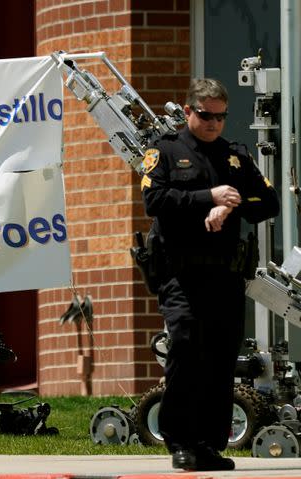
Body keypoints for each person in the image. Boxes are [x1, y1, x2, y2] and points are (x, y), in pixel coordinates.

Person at [141, 78, 280, 471]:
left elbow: (267, 203)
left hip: (225, 275)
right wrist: (208, 198)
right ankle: (180, 440)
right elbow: (155, 200)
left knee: (220, 358)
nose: (214, 123)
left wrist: (231, 204)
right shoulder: (165, 151)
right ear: (188, 112)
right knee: (185, 346)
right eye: (206, 116)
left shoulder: (234, 156)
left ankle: (209, 443)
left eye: (220, 117)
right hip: (180, 275)